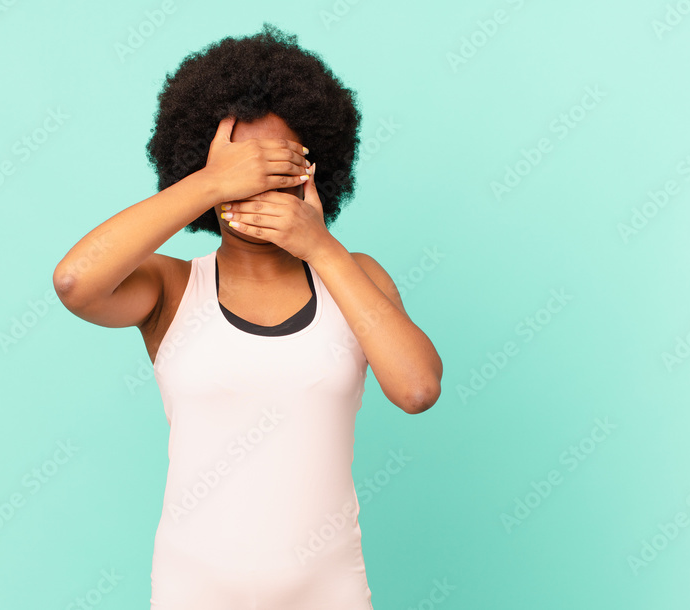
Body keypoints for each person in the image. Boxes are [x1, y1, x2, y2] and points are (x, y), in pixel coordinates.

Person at [53, 23, 442, 609]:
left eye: (276, 168)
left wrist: (322, 248)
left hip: (330, 593)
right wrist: (211, 181)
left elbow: (416, 388)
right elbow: (76, 281)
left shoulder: (352, 274)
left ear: (313, 170)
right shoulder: (170, 287)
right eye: (243, 170)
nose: (257, 187)